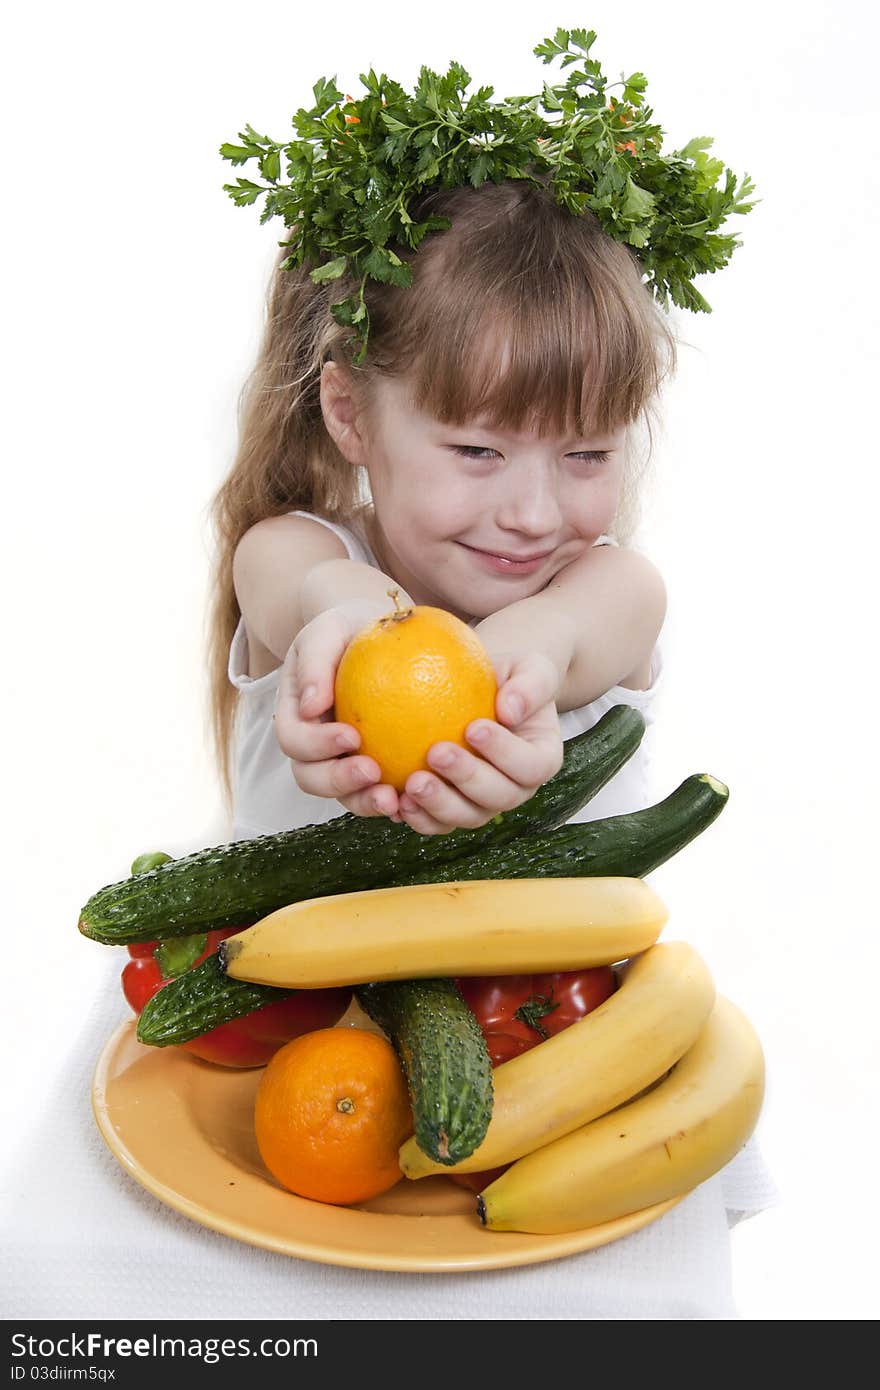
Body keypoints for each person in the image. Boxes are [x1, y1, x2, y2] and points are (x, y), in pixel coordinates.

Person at [201, 36, 775, 1316]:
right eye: (473, 445)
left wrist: (522, 663)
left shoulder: (603, 590)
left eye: (584, 453)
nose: (531, 510)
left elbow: (600, 618)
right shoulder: (301, 553)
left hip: (545, 1060)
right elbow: (298, 581)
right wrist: (353, 626)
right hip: (277, 1058)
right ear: (352, 414)